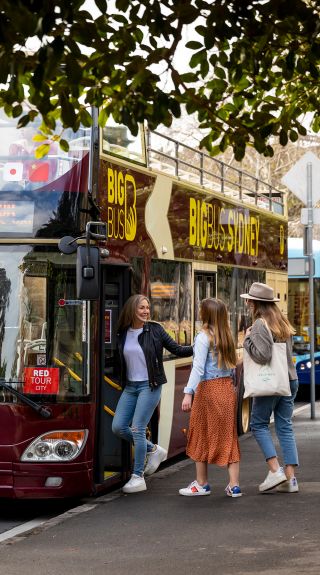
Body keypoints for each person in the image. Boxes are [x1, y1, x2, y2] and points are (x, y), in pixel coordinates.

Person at [112, 294, 193, 494]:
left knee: (138, 429)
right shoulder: (122, 332)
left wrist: (200, 345)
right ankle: (153, 449)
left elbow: (177, 349)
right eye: (142, 308)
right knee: (118, 427)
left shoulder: (155, 330)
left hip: (150, 385)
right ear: (132, 309)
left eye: (147, 307)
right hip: (130, 387)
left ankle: (138, 476)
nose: (146, 311)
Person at [179, 298, 241, 498]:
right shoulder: (227, 336)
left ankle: (202, 484)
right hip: (226, 389)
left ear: (206, 314)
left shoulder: (203, 337)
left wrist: (188, 392)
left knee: (200, 433)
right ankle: (234, 486)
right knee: (228, 437)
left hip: (208, 389)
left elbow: (198, 367)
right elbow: (232, 367)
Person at [241, 282, 299, 493]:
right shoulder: (282, 321)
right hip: (290, 379)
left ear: (254, 303)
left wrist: (247, 340)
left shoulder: (259, 324)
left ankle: (275, 470)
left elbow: (263, 355)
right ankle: (291, 479)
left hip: (270, 382)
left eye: (248, 299)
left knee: (258, 425)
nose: (247, 303)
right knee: (284, 426)